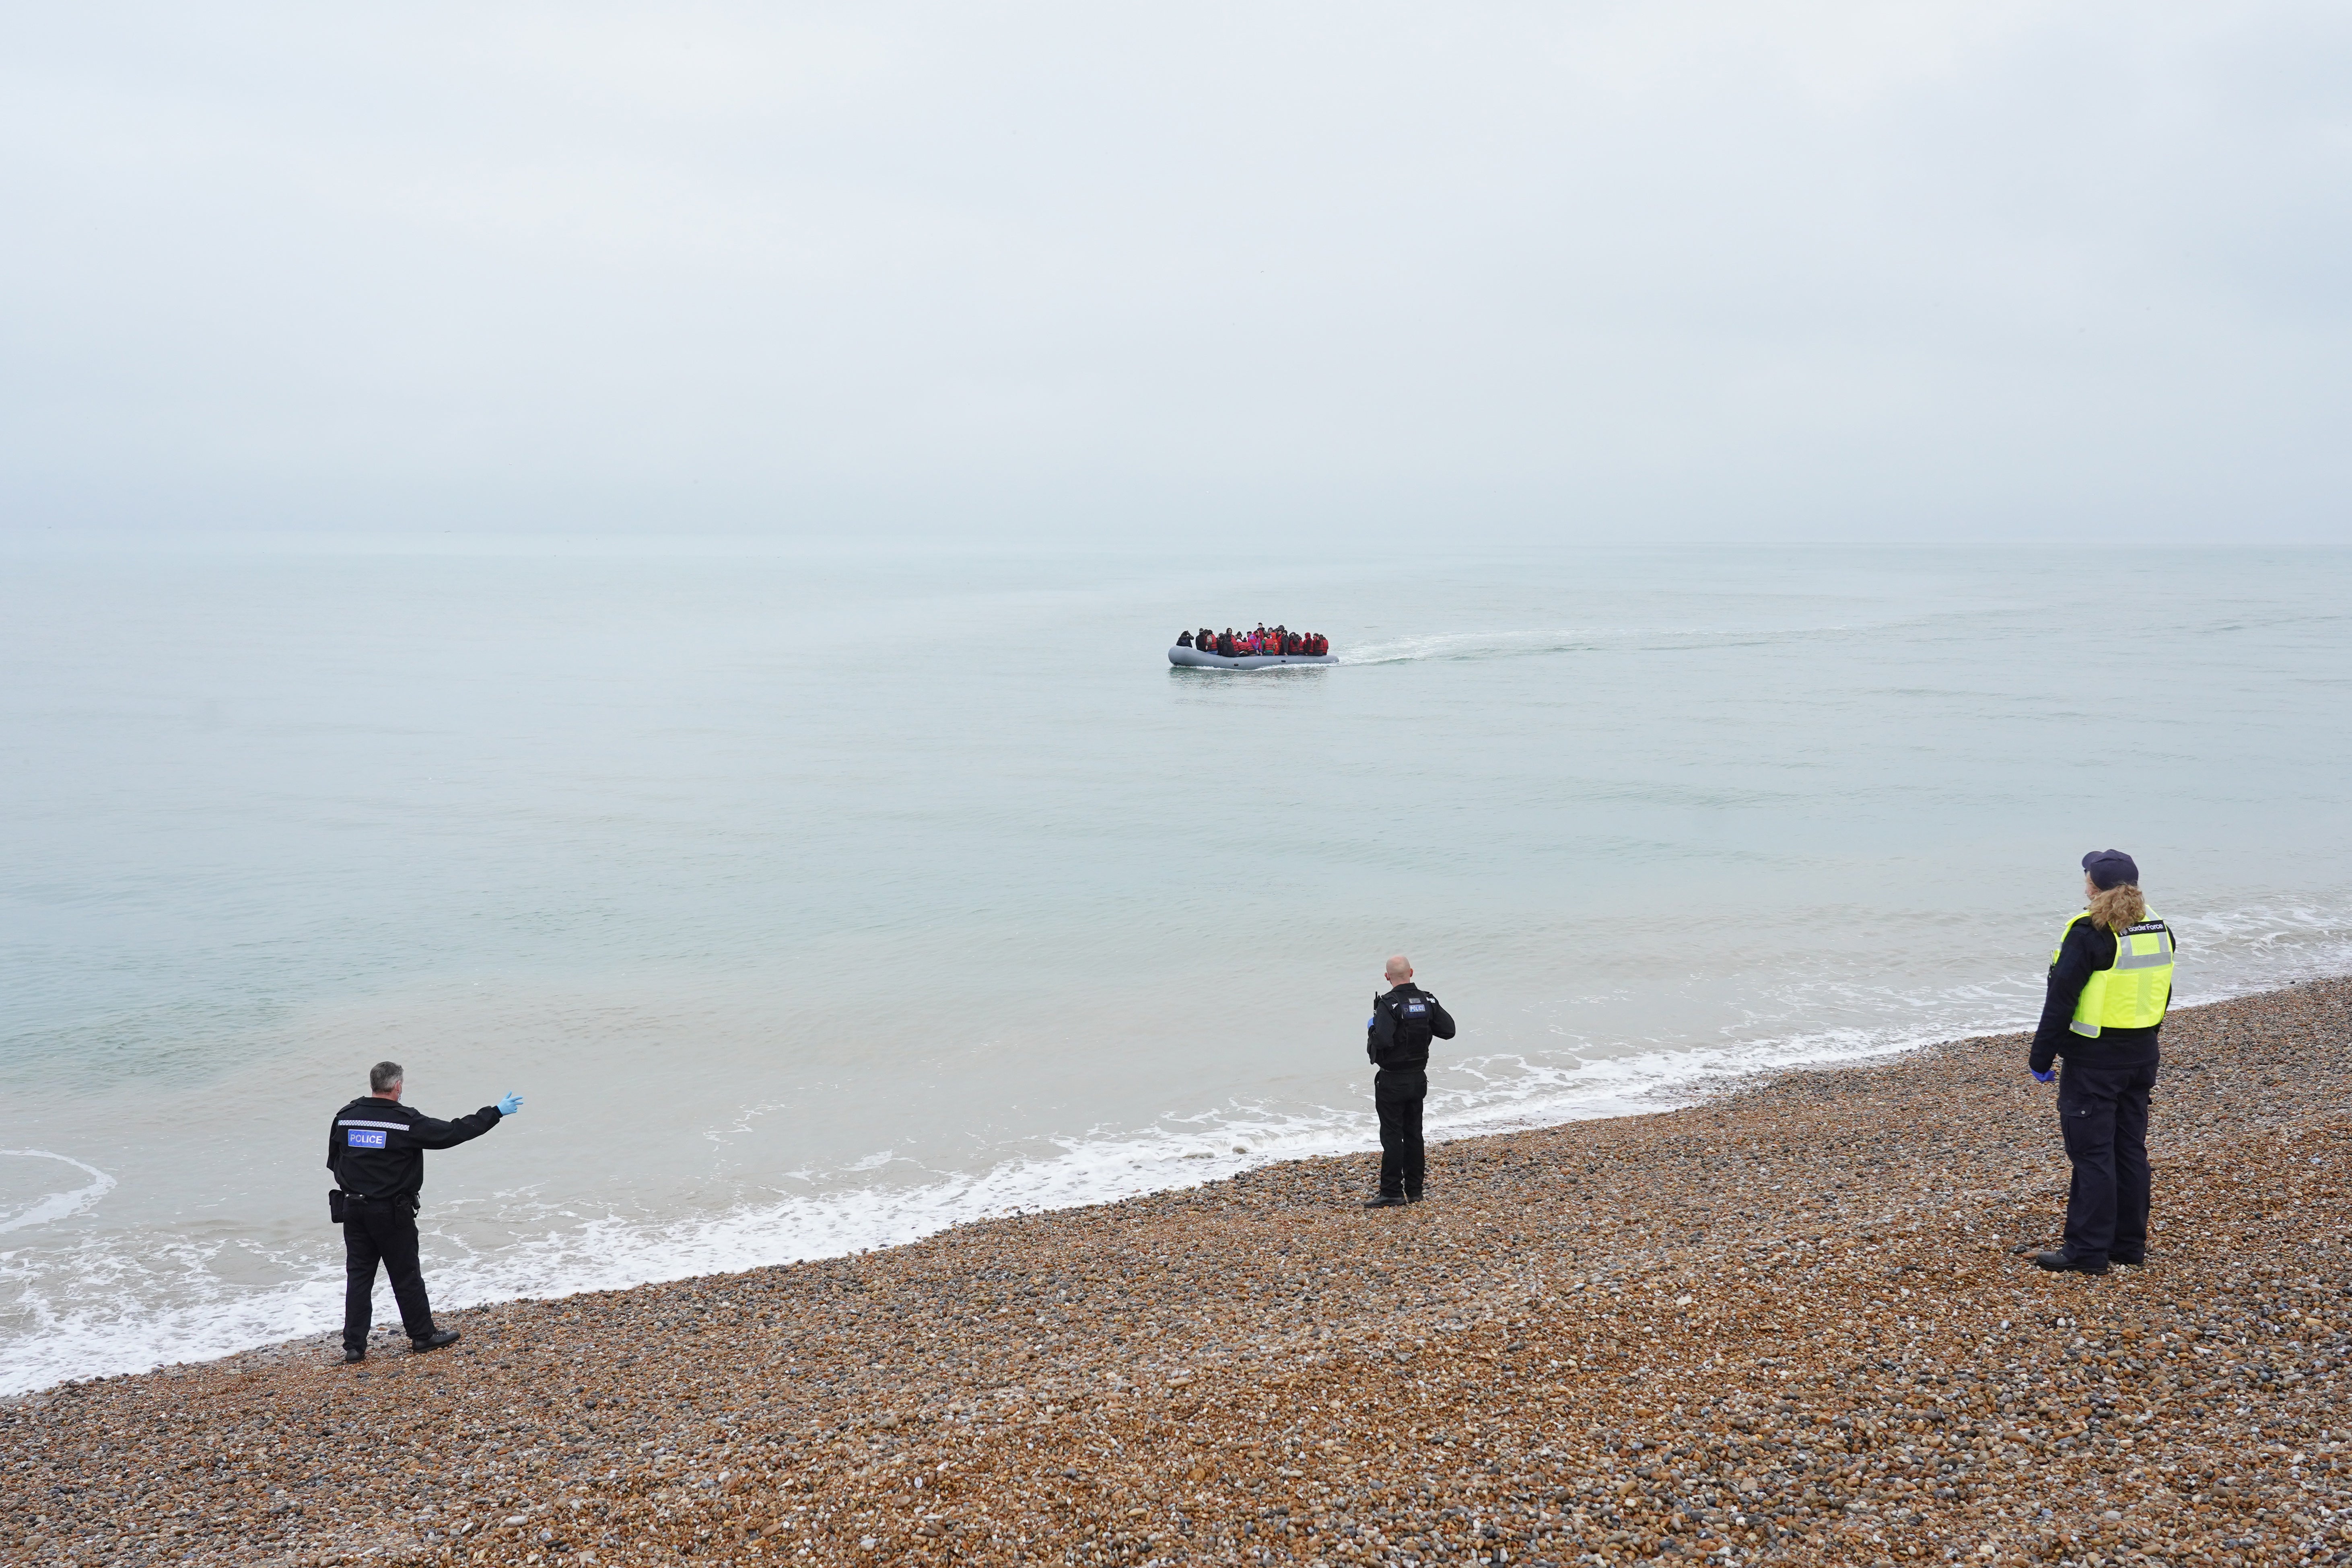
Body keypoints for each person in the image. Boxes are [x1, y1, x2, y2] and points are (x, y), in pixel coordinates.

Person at [2026, 851, 2177, 1275]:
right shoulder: (2158, 926)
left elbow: (2060, 999)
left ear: (2092, 886)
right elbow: (2160, 991)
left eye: (2086, 878)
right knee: (2128, 1149)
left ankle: (2087, 1251)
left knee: (2092, 1155)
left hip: (2094, 1060)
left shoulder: (2087, 930)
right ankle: (2127, 1246)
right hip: (2141, 1053)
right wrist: (2147, 1037)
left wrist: (2040, 1056)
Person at [328, 1062, 523, 1363]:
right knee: (405, 1275)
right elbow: (452, 1133)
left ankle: (354, 1346)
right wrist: (495, 1112)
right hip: (391, 1211)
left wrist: (361, 1182)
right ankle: (422, 1336)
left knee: (359, 1277)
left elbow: (334, 1161)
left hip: (353, 1208)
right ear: (398, 1087)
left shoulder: (345, 1118)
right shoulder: (404, 1122)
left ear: (372, 1085)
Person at [1362, 955, 1456, 1208]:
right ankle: (1415, 1191)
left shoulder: (1388, 1004)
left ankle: (1392, 1192)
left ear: (1387, 977)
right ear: (1411, 973)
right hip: (1418, 1078)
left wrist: (1372, 1027)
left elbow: (1381, 1042)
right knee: (1414, 1133)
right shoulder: (1428, 1000)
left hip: (1392, 1081)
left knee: (1393, 1135)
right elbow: (1449, 1030)